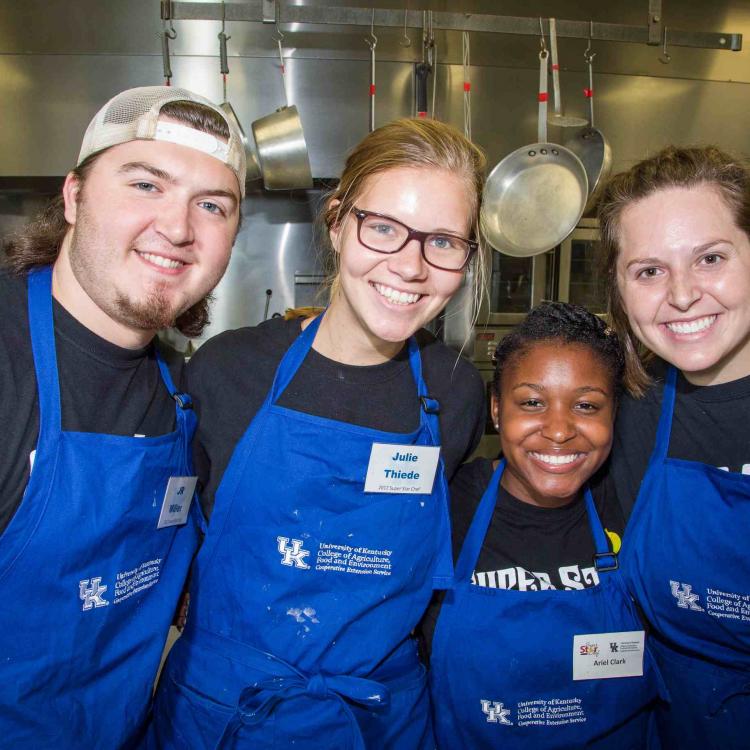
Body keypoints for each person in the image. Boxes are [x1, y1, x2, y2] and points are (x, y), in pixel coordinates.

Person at [148, 118, 487, 749]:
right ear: (337, 222)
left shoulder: (456, 391)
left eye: (443, 241)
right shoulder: (227, 369)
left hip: (379, 721)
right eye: (382, 228)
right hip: (224, 715)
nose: (409, 267)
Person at [0, 85, 246, 748]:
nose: (177, 227)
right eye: (146, 184)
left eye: (213, 205)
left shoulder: (181, 391)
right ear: (74, 196)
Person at [427, 302, 663, 749]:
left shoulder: (631, 505)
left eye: (587, 405)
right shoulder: (447, 505)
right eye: (532, 402)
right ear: (498, 410)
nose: (558, 430)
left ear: (614, 416)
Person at [597, 145, 750, 749]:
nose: (682, 295)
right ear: (619, 287)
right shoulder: (626, 415)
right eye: (650, 270)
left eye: (710, 258)